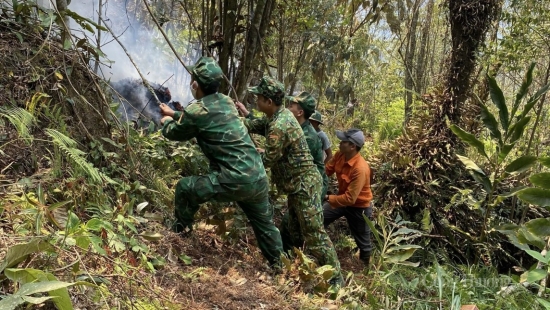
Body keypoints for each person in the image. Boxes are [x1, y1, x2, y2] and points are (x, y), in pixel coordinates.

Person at [158, 57, 283, 267]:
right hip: (257, 175)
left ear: (195, 84)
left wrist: (167, 122)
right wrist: (176, 112)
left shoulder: (197, 111)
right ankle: (280, 266)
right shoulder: (225, 102)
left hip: (234, 179)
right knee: (265, 226)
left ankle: (180, 235)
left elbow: (176, 132)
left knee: (185, 188)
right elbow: (206, 116)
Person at [234, 77, 342, 286]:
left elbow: (267, 160)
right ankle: (285, 268)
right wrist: (233, 117)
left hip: (305, 186)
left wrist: (245, 156)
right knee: (290, 229)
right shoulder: (278, 116)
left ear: (268, 101)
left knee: (314, 233)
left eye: (258, 97)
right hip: (297, 187)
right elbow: (256, 124)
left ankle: (336, 279)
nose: (255, 100)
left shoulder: (280, 124)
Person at [323, 128, 373, 268]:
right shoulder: (340, 155)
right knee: (320, 217)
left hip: (359, 207)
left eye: (344, 141)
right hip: (342, 200)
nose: (340, 143)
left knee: (363, 241)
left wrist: (327, 197)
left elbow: (351, 198)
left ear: (352, 146)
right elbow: (327, 170)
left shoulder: (360, 168)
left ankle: (364, 268)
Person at [286, 92, 329, 198]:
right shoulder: (296, 128)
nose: (287, 109)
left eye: (291, 106)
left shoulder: (308, 137)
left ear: (300, 113)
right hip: (302, 182)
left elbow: (289, 158)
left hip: (312, 185)